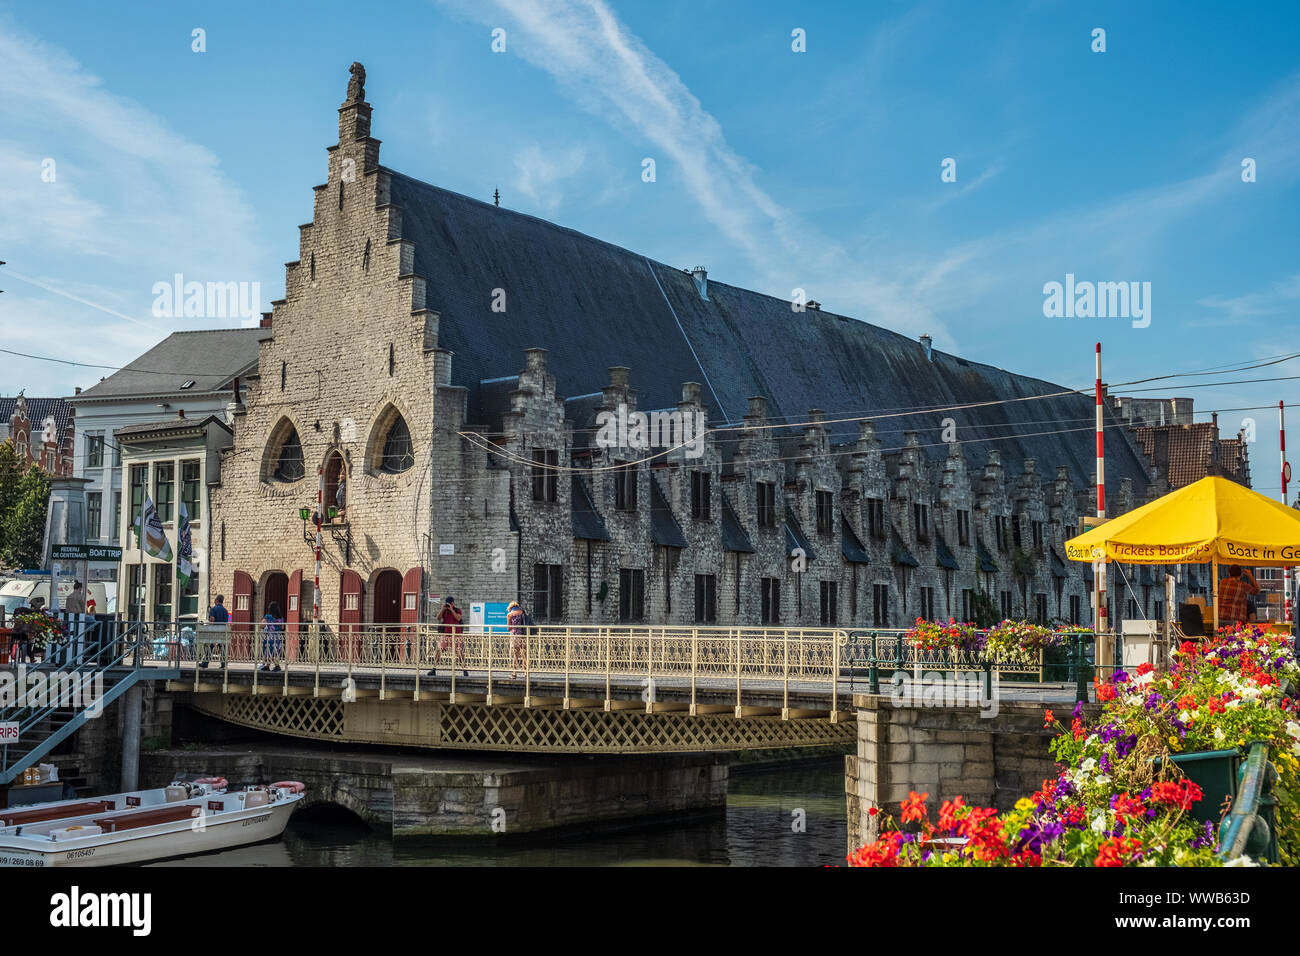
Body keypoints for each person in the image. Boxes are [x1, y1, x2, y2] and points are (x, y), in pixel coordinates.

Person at [429, 596, 466, 677]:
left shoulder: (457, 610)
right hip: (445, 634)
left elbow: (458, 618)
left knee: (459, 652)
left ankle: (464, 670)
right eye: (447, 604)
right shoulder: (445, 611)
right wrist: (442, 609)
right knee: (438, 650)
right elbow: (438, 618)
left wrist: (451, 609)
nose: (448, 605)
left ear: (453, 603)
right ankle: (434, 669)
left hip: (456, 635)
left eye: (449, 603)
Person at [201, 594, 230, 668]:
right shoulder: (225, 611)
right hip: (223, 631)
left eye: (215, 599)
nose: (214, 601)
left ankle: (205, 663)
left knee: (210, 646)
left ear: (217, 600)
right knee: (222, 647)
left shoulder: (213, 609)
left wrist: (210, 628)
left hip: (215, 630)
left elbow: (212, 620)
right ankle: (223, 664)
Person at [261, 601, 284, 672]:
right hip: (277, 637)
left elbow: (262, 625)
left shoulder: (267, 616)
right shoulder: (281, 618)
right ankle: (276, 665)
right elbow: (282, 627)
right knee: (275, 651)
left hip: (269, 636)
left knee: (268, 650)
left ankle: (268, 665)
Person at [507, 600, 526, 679]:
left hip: (515, 636)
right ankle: (526, 673)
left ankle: (514, 673)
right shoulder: (522, 612)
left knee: (516, 655)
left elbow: (509, 628)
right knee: (524, 654)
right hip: (524, 635)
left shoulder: (509, 615)